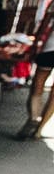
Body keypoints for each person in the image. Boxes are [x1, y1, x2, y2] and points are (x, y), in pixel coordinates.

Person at [16, 7, 54, 140]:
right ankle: (39, 130)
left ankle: (33, 117)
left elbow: (45, 24)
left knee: (37, 86)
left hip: (50, 49)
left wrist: (35, 44)